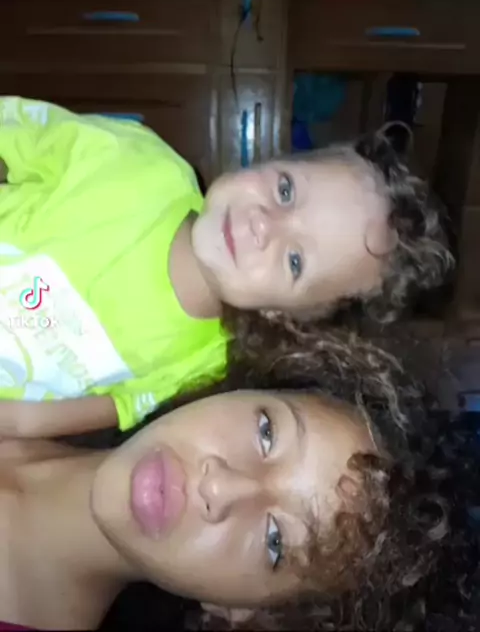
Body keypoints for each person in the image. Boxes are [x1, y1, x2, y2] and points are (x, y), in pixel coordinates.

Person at [0, 97, 451, 440]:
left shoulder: (206, 363)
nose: (263, 225)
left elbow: (47, 417)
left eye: (294, 261)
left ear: (287, 315)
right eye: (286, 191)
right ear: (273, 158)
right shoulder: (132, 162)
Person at [0, 330, 476, 631]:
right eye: (267, 432)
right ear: (245, 389)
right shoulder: (34, 339)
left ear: (246, 612)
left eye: (275, 543)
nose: (220, 488)